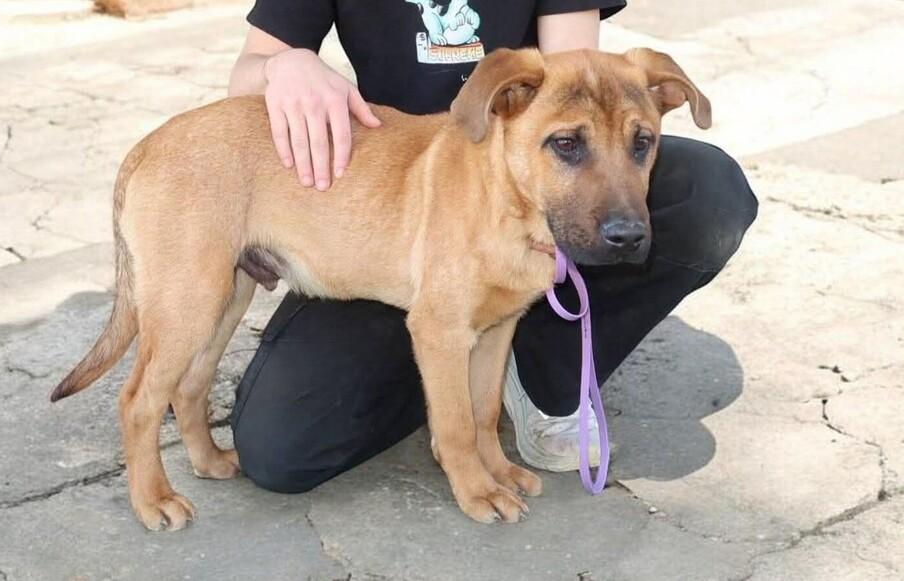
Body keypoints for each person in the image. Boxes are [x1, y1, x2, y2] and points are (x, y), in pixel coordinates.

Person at [227, 0, 758, 492]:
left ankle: (543, 374)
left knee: (705, 193)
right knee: (284, 450)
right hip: (389, 204)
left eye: (643, 144)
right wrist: (282, 65)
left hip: (523, 174)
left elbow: (574, 79)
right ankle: (452, 370)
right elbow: (246, 82)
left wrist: (559, 187)